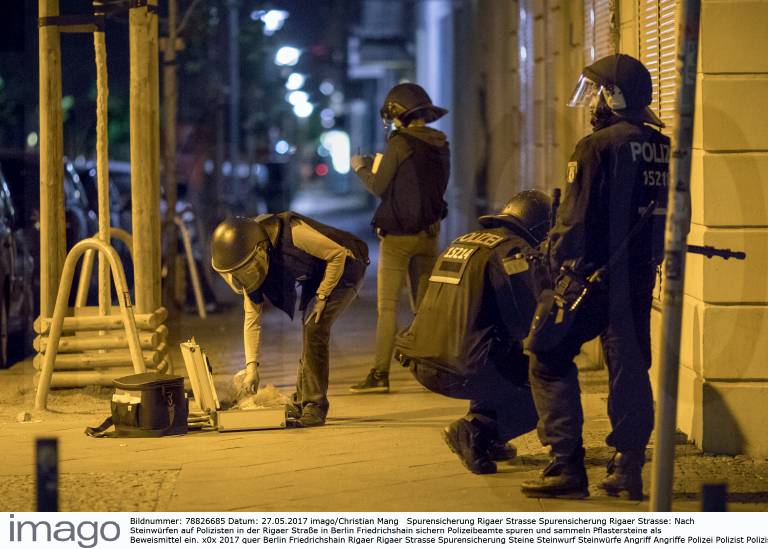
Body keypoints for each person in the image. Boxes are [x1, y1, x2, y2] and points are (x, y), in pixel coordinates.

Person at [520, 54, 670, 500]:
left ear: (615, 95)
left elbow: (575, 220)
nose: (594, 103)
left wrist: (555, 269)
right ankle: (628, 466)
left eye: (599, 92)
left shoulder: (596, 146)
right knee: (629, 367)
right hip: (638, 274)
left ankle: (565, 467)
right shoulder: (657, 144)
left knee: (545, 355)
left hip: (592, 277)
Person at [395, 190, 552, 474]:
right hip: (460, 368)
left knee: (498, 349)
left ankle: (488, 439)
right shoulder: (512, 251)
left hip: (423, 358)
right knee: (544, 386)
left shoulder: (465, 241)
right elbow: (522, 320)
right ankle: (476, 432)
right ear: (538, 229)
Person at [210, 212, 369, 428]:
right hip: (317, 273)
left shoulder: (293, 233)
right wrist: (252, 369)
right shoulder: (250, 270)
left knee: (315, 327)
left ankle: (315, 405)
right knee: (310, 327)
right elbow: (252, 320)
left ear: (261, 250)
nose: (245, 278)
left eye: (246, 270)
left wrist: (322, 296)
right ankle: (301, 401)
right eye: (238, 274)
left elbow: (337, 254)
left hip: (347, 264)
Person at [348, 83, 451, 394]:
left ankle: (380, 373)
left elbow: (379, 187)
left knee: (388, 307)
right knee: (424, 307)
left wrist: (360, 168)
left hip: (397, 239)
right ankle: (433, 369)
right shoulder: (441, 144)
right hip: (429, 234)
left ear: (399, 115)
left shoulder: (399, 143)